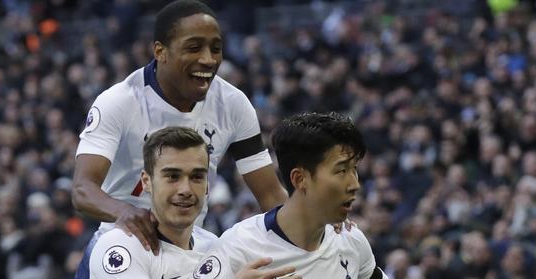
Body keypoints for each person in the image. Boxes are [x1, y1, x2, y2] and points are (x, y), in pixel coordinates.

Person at [72, 0, 287, 277]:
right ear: (160, 51)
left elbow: (270, 193)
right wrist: (123, 211)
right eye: (194, 47)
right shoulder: (119, 101)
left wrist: (313, 225)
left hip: (190, 245)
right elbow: (82, 189)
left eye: (216, 48)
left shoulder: (234, 104)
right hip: (124, 239)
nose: (209, 59)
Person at [191, 112, 389, 279]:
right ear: (300, 178)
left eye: (354, 169)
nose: (355, 184)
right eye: (341, 171)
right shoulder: (239, 248)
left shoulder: (351, 241)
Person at [89, 126, 299, 279]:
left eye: (197, 177)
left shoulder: (215, 247)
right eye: (172, 176)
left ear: (208, 184)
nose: (185, 190)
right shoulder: (119, 246)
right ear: (147, 182)